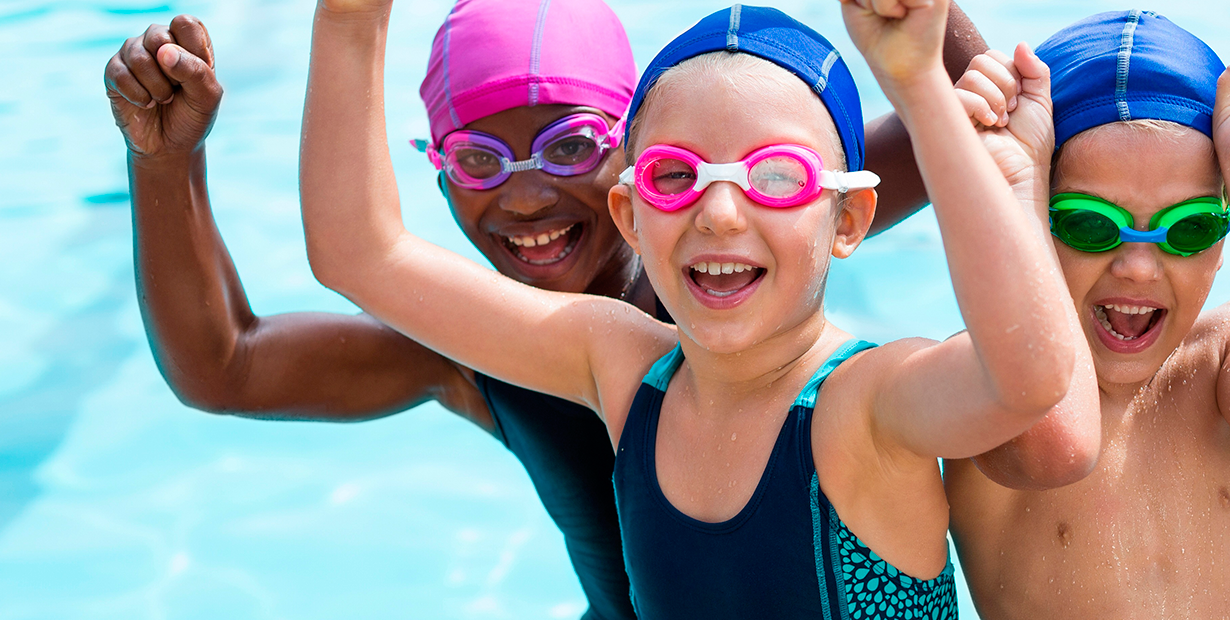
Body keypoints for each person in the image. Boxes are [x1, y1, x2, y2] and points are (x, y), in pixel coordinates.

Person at [101, 1, 988, 617]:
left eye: (570, 146)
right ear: (439, 175)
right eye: (480, 162)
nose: (525, 198)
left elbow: (978, 114)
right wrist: (164, 163)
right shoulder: (471, 344)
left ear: (639, 159)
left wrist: (913, 32)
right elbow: (227, 365)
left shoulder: (739, 238)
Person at [298, 0, 1098, 617]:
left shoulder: (868, 405)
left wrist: (922, 92)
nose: (719, 212)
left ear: (847, 221)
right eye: (675, 176)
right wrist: (349, 18)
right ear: (630, 217)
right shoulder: (620, 365)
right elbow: (358, 254)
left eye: (776, 177)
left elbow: (1028, 376)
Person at [941, 11, 1230, 618]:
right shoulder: (984, 374)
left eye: (1189, 228)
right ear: (1034, 222)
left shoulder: (1226, 359)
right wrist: (1013, 191)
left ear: (1225, 241)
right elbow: (1054, 448)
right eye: (1089, 223)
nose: (1139, 268)